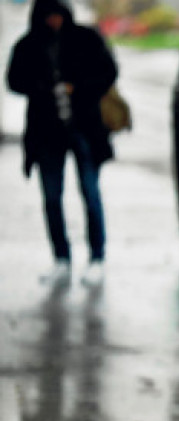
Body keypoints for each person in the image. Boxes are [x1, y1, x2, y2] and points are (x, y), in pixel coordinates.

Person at [7, 0, 118, 285]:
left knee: (90, 195)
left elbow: (108, 72)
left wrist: (78, 88)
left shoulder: (86, 38)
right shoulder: (29, 44)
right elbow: (14, 80)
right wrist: (42, 87)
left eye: (57, 15)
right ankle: (61, 259)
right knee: (52, 198)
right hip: (46, 133)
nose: (53, 21)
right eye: (48, 16)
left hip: (85, 129)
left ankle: (97, 257)